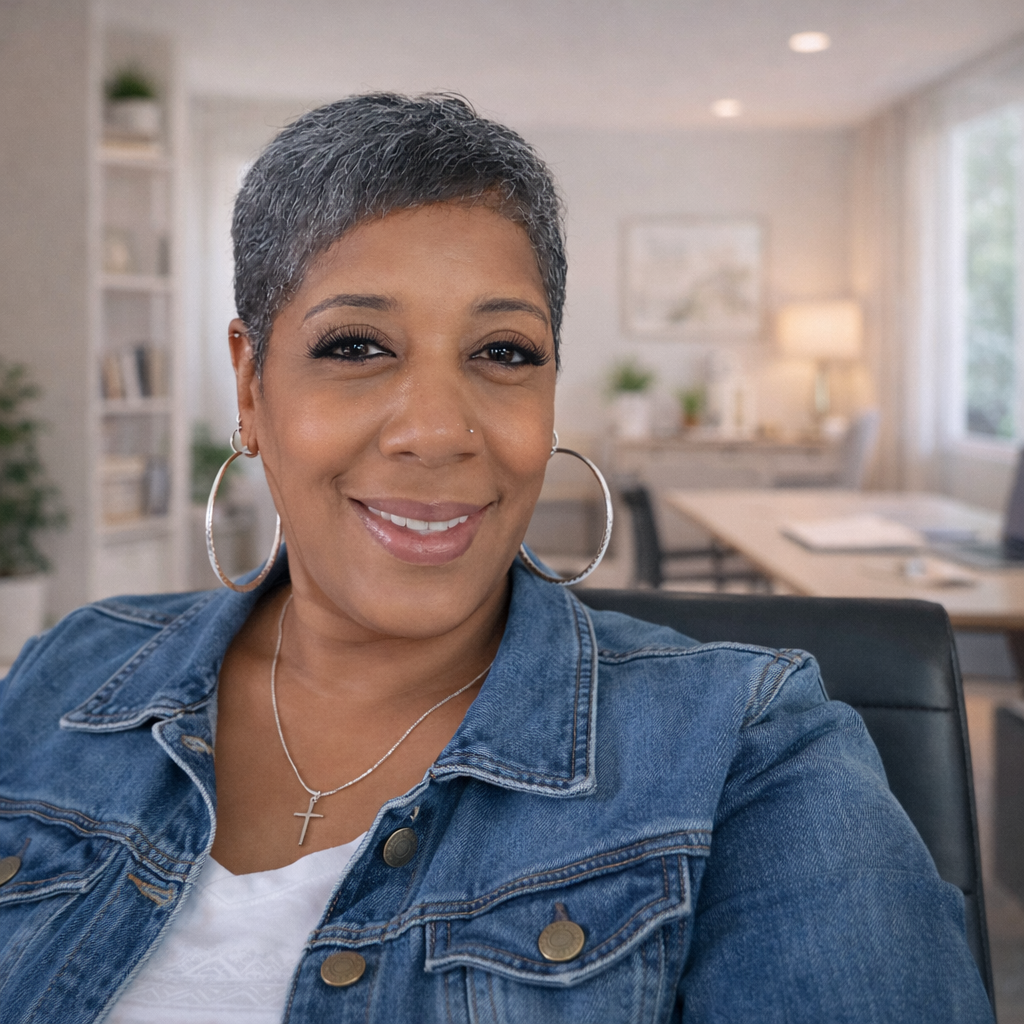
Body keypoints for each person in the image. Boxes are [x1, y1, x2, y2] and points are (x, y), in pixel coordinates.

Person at [0, 94, 992, 1024]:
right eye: (354, 346)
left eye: (504, 353)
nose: (437, 431)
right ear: (252, 389)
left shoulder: (749, 751)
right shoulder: (68, 674)